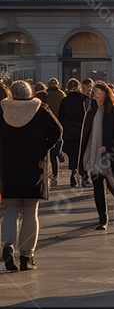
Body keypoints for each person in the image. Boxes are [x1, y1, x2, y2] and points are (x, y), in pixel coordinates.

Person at [0, 81, 62, 271]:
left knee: (10, 210)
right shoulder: (41, 110)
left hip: (8, 166)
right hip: (34, 166)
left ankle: (8, 246)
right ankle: (27, 256)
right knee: (30, 211)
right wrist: (42, 147)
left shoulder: (2, 109)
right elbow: (57, 132)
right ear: (30, 93)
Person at [78, 83, 114, 231]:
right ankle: (103, 218)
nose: (97, 96)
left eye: (100, 93)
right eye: (95, 93)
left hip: (109, 153)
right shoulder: (91, 108)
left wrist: (108, 146)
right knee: (97, 186)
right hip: (93, 151)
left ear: (106, 94)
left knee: (112, 183)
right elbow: (86, 131)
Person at [58, 78, 90, 188]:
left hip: (69, 131)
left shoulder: (65, 100)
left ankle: (72, 176)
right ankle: (84, 178)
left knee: (72, 156)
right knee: (82, 156)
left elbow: (60, 117)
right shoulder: (84, 99)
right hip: (81, 131)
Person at [42, 78, 65, 185]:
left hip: (46, 125)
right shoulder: (62, 95)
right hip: (59, 124)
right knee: (54, 153)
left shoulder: (45, 96)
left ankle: (48, 175)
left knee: (47, 152)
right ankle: (55, 175)